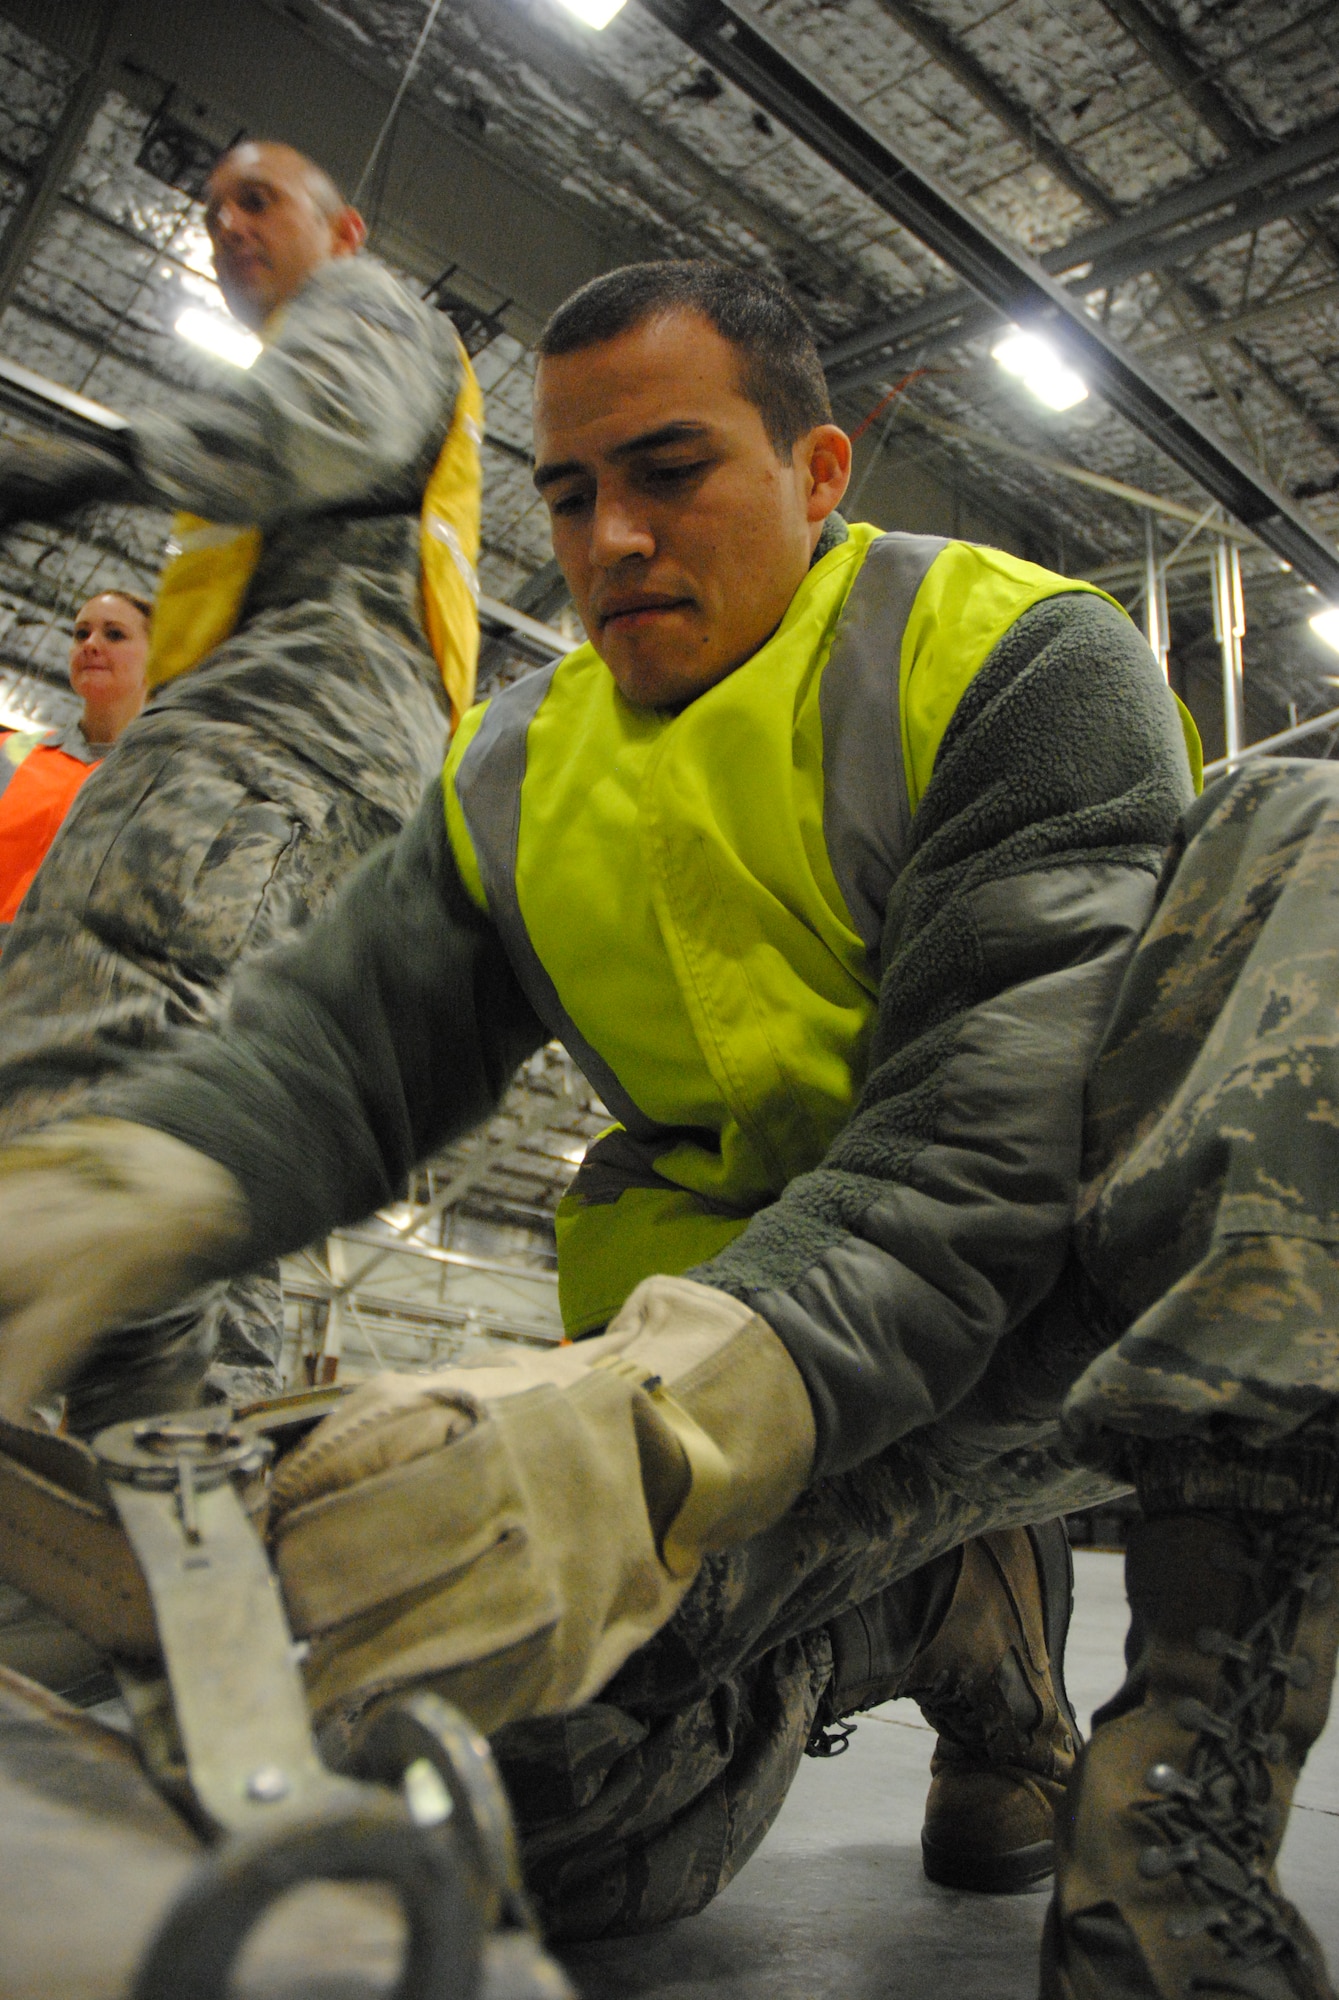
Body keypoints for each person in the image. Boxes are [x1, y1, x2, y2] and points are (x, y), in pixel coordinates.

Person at [0, 260, 1335, 2000]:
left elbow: (976, 1164)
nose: (611, 534)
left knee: (1303, 831)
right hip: (752, 1391)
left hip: (1048, 1332)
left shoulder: (1011, 660)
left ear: (819, 472)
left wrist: (654, 1419)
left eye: (670, 470)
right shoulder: (517, 769)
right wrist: (118, 1196)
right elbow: (331, 1050)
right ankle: (937, 1622)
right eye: (567, 493)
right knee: (498, 1810)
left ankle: (1169, 1823)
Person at [0, 139, 481, 1420]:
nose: (223, 225)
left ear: (347, 230)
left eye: (255, 200)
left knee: (104, 1018)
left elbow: (328, 421)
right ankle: (198, 1468)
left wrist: (96, 460)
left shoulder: (362, 310)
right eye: (208, 211)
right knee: (202, 1082)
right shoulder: (321, 338)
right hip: (311, 748)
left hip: (286, 736)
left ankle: (154, 1415)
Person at [0, 591, 150, 930]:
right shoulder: (9, 751)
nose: (90, 644)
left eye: (114, 634)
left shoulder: (160, 785)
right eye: (81, 633)